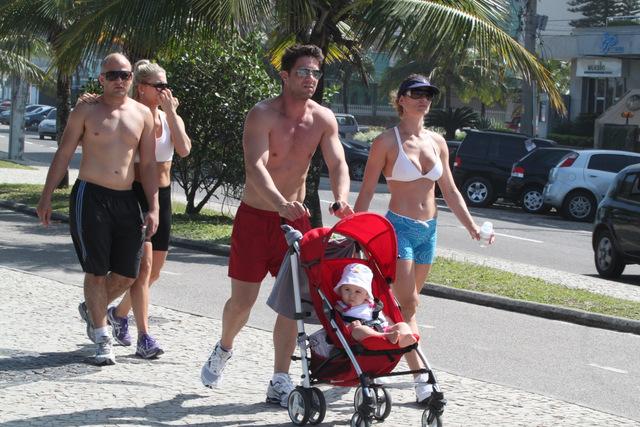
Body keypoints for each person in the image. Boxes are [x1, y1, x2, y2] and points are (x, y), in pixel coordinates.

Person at [200, 44, 354, 408]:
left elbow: (338, 163)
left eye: (315, 73)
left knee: (293, 305)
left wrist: (341, 198)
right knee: (243, 302)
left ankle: (279, 379)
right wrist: (279, 204)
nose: (310, 79)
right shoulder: (262, 115)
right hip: (257, 217)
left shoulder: (323, 118)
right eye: (303, 72)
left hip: (295, 221)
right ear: (285, 76)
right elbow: (256, 166)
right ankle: (224, 348)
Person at [353, 74, 495, 403]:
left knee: (405, 304)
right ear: (400, 99)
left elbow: (451, 191)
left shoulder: (438, 142)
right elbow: (367, 192)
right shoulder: (386, 142)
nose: (423, 99)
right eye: (416, 93)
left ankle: (379, 332)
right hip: (398, 228)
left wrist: (472, 227)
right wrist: (355, 232)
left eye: (428, 94)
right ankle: (421, 380)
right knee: (409, 304)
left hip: (428, 231)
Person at [36, 53, 159, 366]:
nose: (120, 80)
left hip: (126, 199)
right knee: (95, 270)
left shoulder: (143, 114)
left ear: (133, 78)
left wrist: (154, 206)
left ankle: (92, 307)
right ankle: (103, 339)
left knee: (129, 274)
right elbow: (63, 153)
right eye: (113, 74)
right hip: (90, 196)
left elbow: (147, 165)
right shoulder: (86, 110)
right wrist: (46, 196)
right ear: (101, 79)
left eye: (125, 75)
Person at [103, 60, 191, 359]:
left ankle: (116, 314)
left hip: (163, 195)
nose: (165, 91)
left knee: (153, 273)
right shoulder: (134, 114)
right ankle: (144, 336)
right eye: (159, 86)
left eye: (167, 85)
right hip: (137, 195)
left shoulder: (168, 116)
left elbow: (183, 149)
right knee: (143, 269)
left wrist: (172, 112)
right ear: (141, 89)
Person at [334, 263, 417, 347]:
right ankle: (386, 336)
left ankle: (404, 337)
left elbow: (385, 317)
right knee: (358, 330)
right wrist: (350, 326)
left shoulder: (373, 304)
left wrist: (392, 326)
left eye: (357, 291)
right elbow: (338, 321)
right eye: (347, 289)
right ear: (341, 290)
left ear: (366, 294)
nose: (351, 295)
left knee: (402, 325)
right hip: (366, 334)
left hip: (384, 329)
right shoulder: (341, 306)